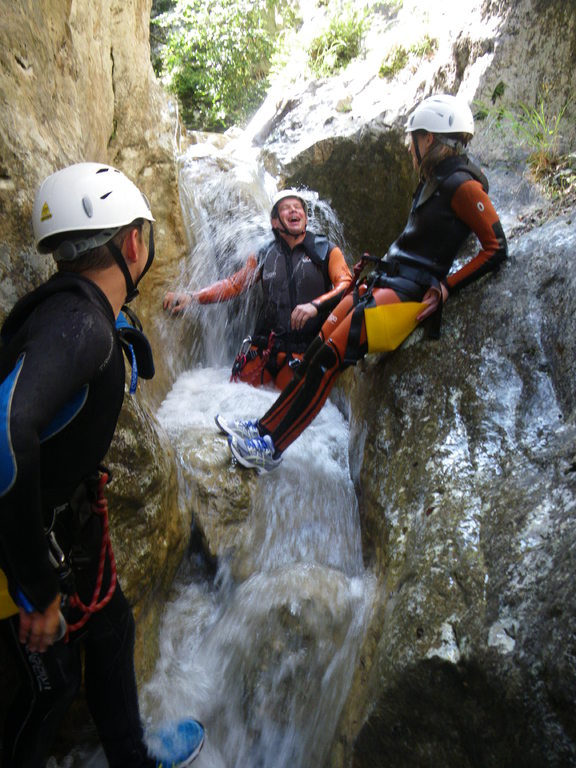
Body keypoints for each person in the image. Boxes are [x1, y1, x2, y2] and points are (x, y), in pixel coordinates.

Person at [0, 163, 204, 767]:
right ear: (133, 243)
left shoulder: (78, 312)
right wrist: (37, 590)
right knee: (49, 687)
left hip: (64, 526)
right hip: (20, 549)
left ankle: (130, 758)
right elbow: (5, 432)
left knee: (111, 630)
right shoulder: (81, 325)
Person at [219, 94, 508, 473]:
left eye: (414, 139)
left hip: (406, 295)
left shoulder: (463, 185)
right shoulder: (435, 182)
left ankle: (271, 448)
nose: (410, 148)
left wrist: (448, 286)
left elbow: (496, 247)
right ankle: (263, 428)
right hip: (387, 281)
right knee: (315, 352)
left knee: (327, 361)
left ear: (429, 139)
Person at [163, 190, 353, 390]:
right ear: (275, 222)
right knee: (234, 394)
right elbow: (234, 284)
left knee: (287, 397)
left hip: (305, 350)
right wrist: (192, 297)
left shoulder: (326, 250)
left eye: (298, 208)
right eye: (286, 208)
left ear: (305, 219)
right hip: (266, 350)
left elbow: (346, 284)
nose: (294, 211)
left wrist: (316, 305)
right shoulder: (264, 254)